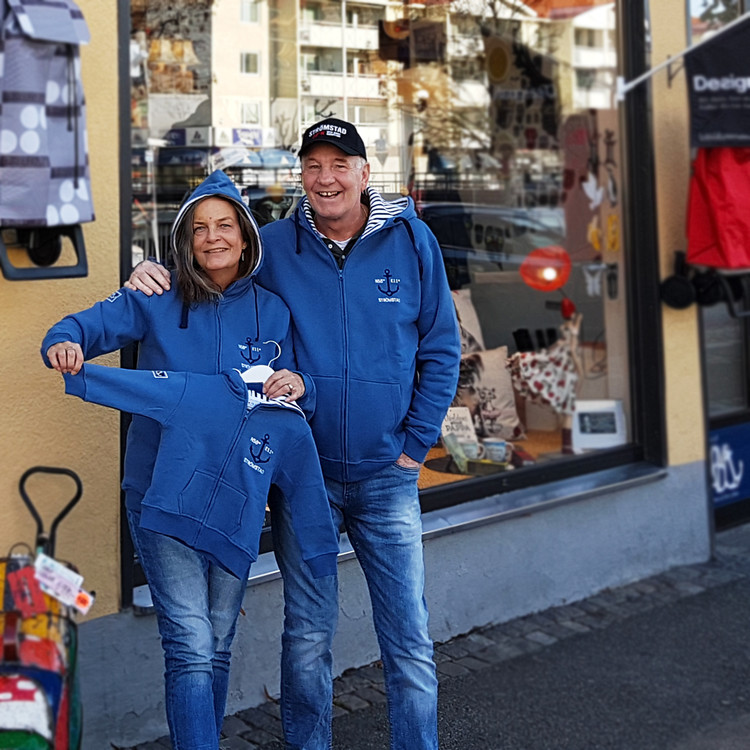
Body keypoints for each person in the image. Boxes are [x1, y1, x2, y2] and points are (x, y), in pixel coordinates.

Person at [127, 118, 461, 750]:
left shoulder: (412, 242)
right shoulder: (275, 246)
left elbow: (441, 349)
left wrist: (415, 444)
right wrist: (148, 273)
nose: (326, 178)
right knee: (307, 634)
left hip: (388, 474)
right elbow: (212, 276)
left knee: (410, 640)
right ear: (301, 177)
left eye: (340, 164)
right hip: (304, 477)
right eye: (313, 166)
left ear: (365, 173)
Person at [42, 170, 318, 750]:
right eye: (199, 229)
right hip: (160, 494)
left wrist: (299, 383)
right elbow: (80, 327)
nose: (213, 238)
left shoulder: (273, 311)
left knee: (216, 643)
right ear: (185, 240)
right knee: (191, 642)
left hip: (235, 501)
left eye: (225, 226)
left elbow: (290, 385)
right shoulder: (155, 296)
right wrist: (62, 344)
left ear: (246, 237)